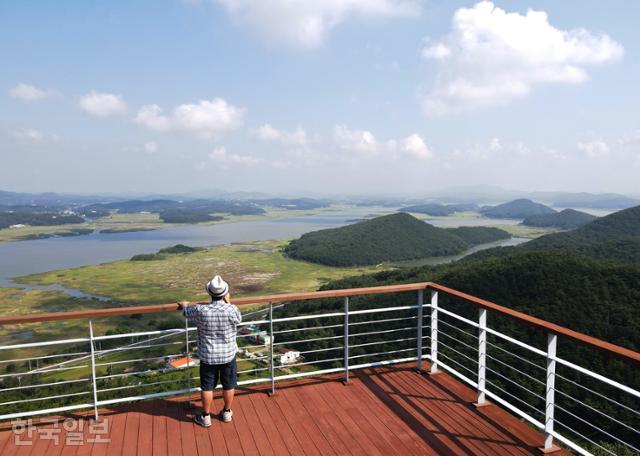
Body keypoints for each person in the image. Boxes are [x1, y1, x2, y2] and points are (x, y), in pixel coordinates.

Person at [177, 275, 241, 428]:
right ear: (225, 293)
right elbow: (238, 320)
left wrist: (185, 305)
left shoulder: (201, 310)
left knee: (207, 387)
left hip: (208, 356)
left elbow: (186, 313)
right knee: (229, 385)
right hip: (228, 355)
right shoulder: (232, 309)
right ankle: (226, 412)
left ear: (210, 293)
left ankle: (205, 416)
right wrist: (229, 302)